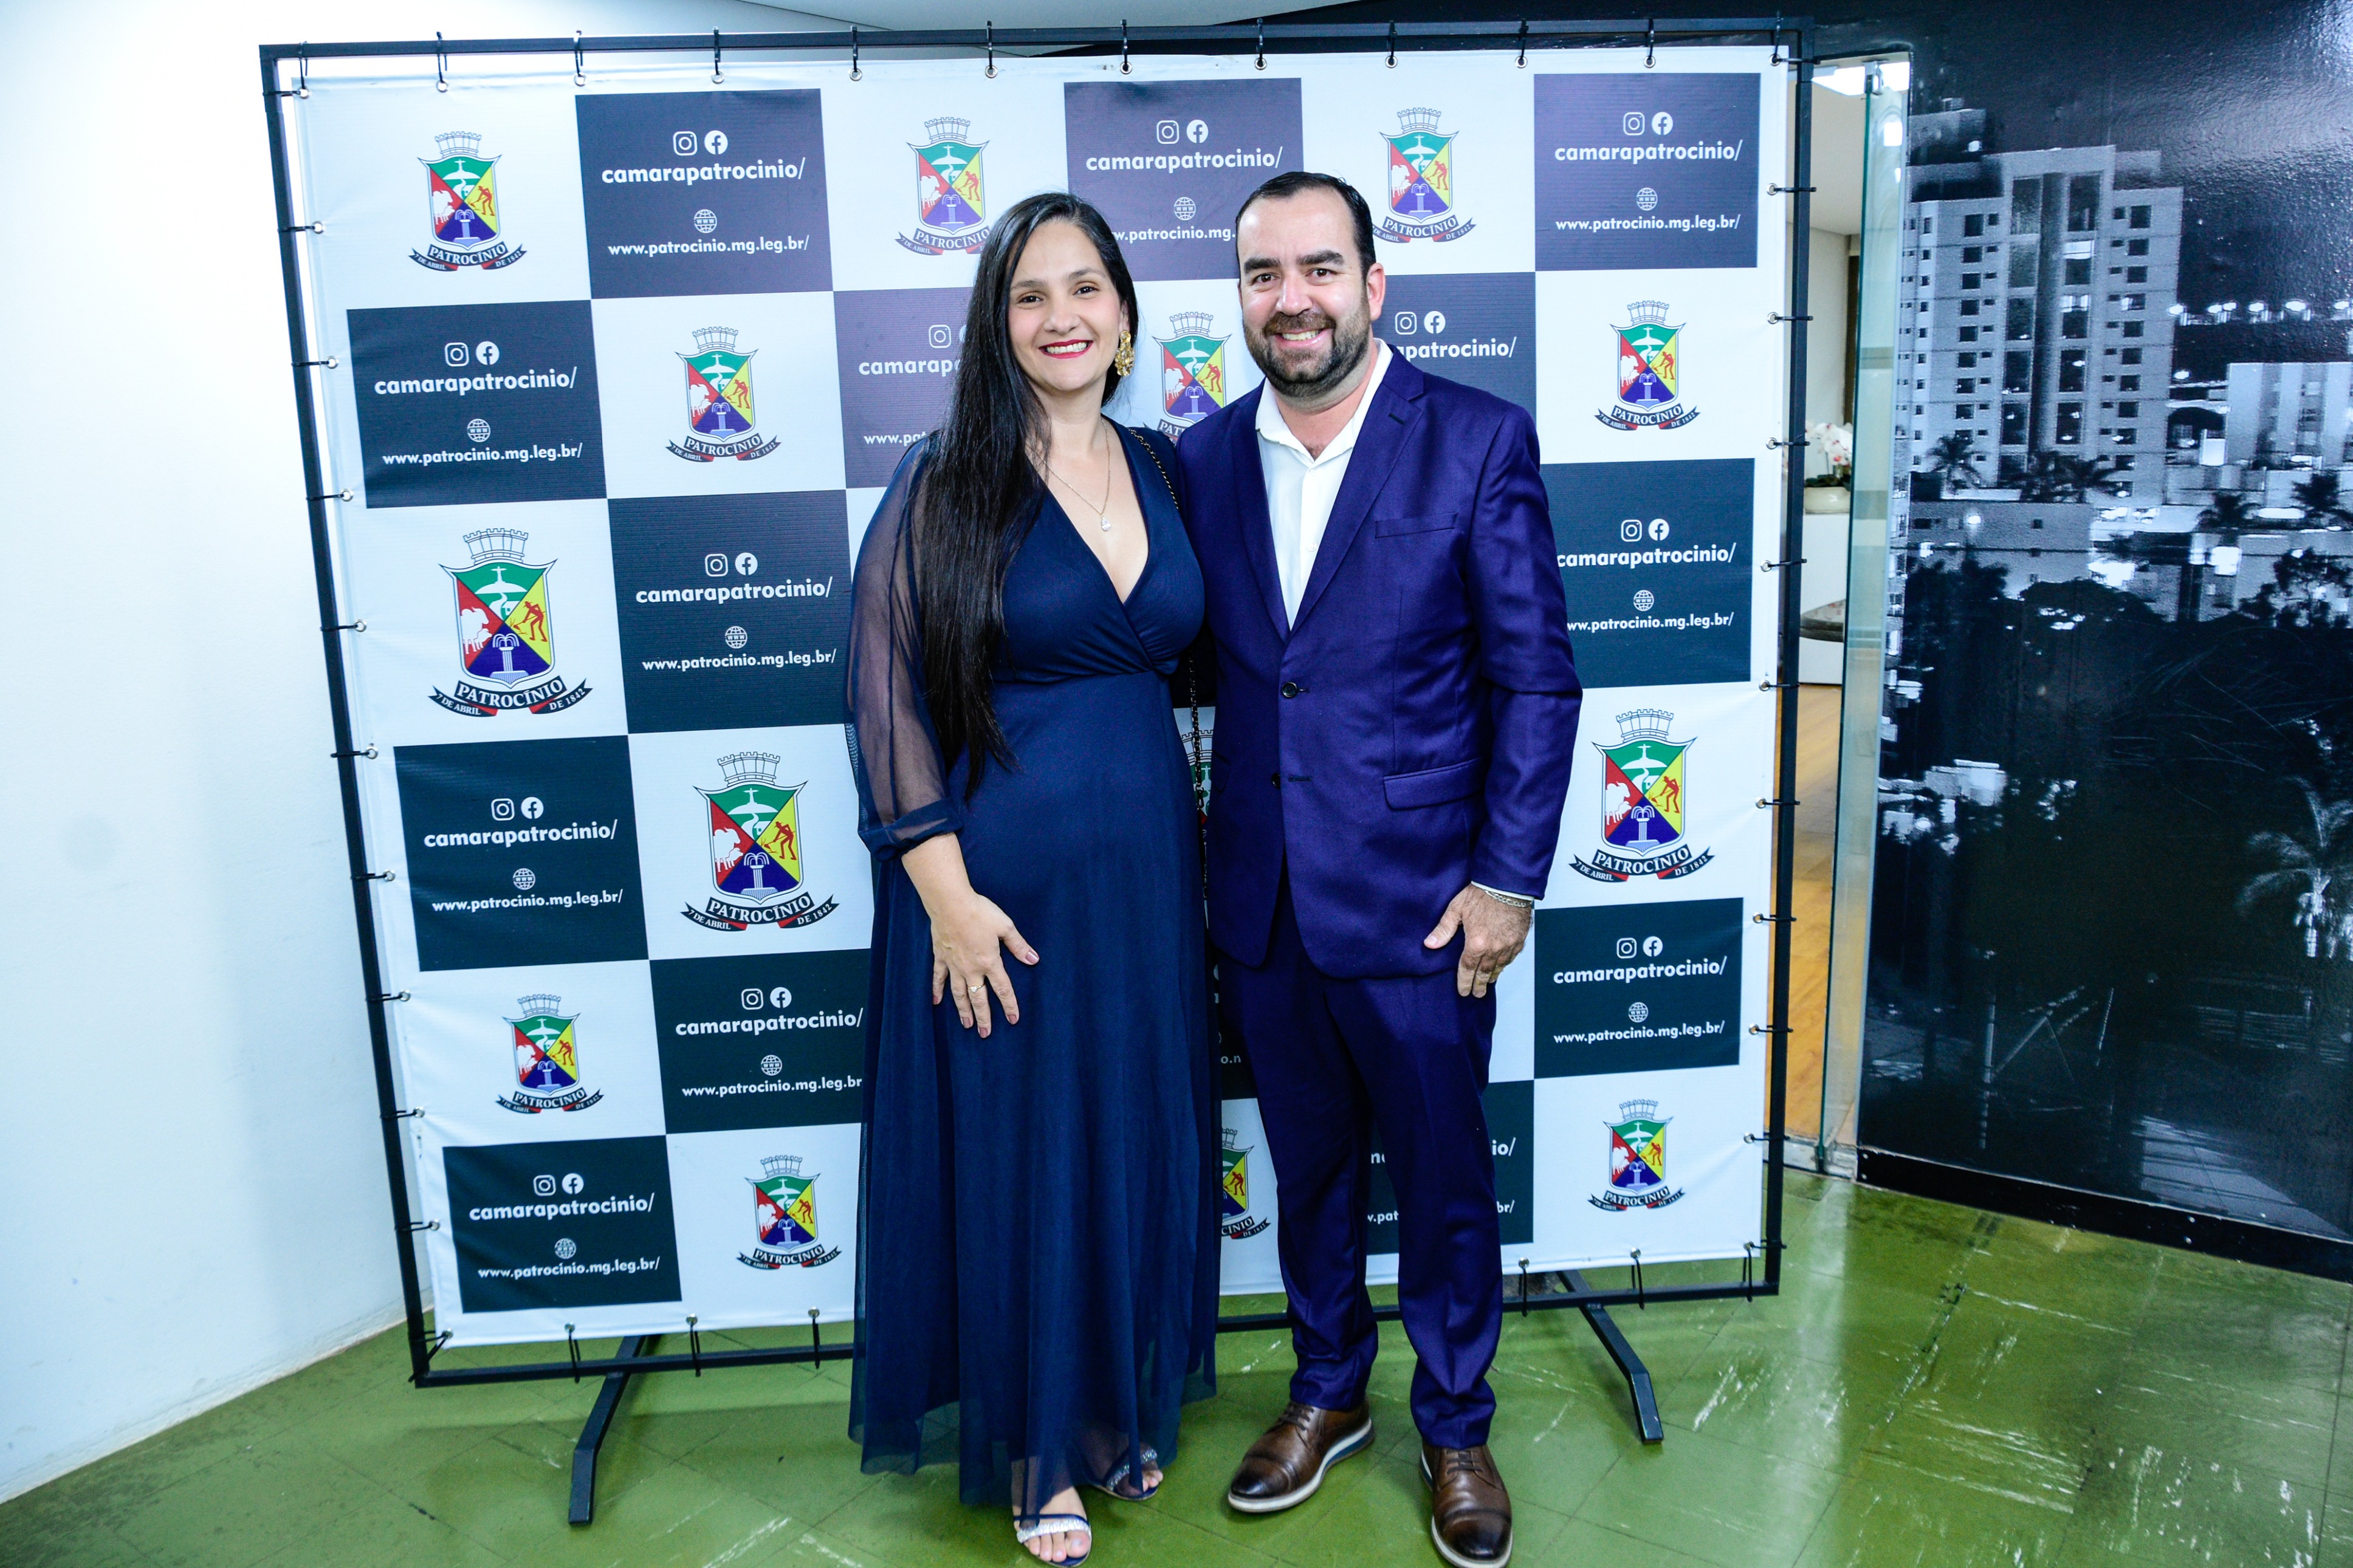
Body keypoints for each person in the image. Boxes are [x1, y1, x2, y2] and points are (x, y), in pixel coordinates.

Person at [1174, 172, 1581, 1568]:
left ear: (1372, 284)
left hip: (1425, 909)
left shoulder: (1473, 438)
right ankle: (1329, 1389)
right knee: (1309, 1174)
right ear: (1240, 296)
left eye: (1318, 269)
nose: (1291, 299)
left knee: (1446, 1182)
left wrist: (1505, 881)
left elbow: (1536, 679)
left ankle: (1455, 1423)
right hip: (1263, 906)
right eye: (1262, 274)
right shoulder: (1201, 458)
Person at [845, 191, 1219, 1566]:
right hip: (1001, 885)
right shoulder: (945, 478)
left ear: (1123, 313)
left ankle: (1108, 1407)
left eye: (1084, 288)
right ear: (996, 325)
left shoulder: (1166, 465)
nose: (1061, 317)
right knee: (1024, 1151)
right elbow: (882, 685)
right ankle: (1037, 1448)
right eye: (1029, 294)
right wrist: (944, 895)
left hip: (1146, 877)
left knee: (1122, 1132)